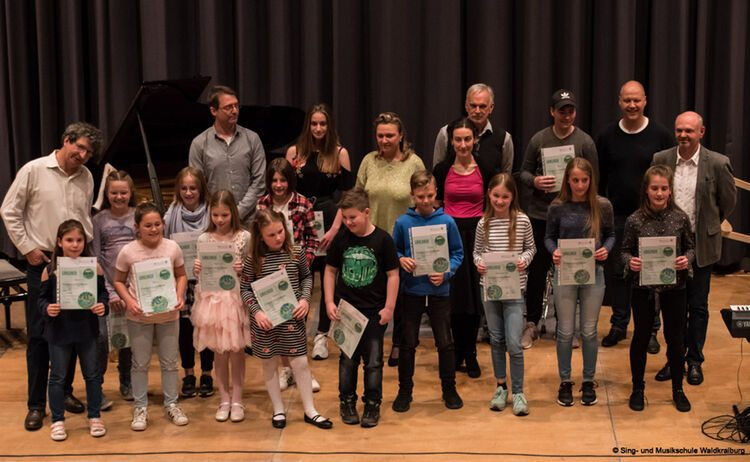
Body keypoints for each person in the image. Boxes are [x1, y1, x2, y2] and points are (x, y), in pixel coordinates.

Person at [1, 121, 103, 430]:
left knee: (71, 331)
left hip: (75, 263)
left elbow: (83, 219)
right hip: (43, 261)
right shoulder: (34, 170)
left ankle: (65, 392)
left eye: (89, 152)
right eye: (80, 147)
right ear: (66, 140)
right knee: (39, 335)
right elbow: (9, 211)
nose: (83, 155)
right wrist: (28, 248)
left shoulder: (85, 176)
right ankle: (36, 405)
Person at [651, 111, 737, 386]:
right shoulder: (661, 159)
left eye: (689, 131)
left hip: (702, 246)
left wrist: (708, 224)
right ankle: (673, 360)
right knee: (671, 307)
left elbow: (728, 203)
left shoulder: (718, 163)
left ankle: (695, 361)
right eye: (679, 130)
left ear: (701, 132)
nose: (683, 135)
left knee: (698, 307)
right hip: (668, 248)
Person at [597, 81, 674, 350]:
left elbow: (666, 178)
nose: (632, 105)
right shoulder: (606, 136)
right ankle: (619, 324)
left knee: (650, 274)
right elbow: (600, 178)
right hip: (617, 216)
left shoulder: (661, 135)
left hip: (652, 217)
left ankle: (651, 329)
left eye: (636, 101)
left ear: (645, 101)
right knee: (619, 273)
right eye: (627, 100)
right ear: (619, 102)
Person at [519, 89, 599, 349]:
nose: (566, 115)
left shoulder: (585, 141)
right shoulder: (539, 139)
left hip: (574, 218)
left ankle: (566, 326)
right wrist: (536, 181)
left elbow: (594, 179)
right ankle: (531, 324)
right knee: (537, 272)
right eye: (561, 110)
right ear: (552, 112)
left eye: (570, 110)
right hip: (542, 214)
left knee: (572, 273)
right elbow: (523, 173)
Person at [240, 209, 332, 430]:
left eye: (280, 232)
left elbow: (307, 277)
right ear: (261, 236)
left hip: (292, 319)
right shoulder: (253, 259)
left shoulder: (296, 252)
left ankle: (310, 410)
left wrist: (304, 300)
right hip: (265, 323)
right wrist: (257, 312)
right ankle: (278, 408)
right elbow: (245, 288)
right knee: (269, 364)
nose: (278, 237)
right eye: (271, 235)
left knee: (300, 363)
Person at [324, 188, 400, 428]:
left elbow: (393, 275)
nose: (348, 222)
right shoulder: (342, 239)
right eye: (344, 218)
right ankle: (346, 400)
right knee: (347, 361)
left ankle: (372, 403)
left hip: (374, 312)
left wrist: (389, 307)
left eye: (352, 218)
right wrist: (328, 301)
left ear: (366, 213)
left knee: (374, 361)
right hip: (346, 311)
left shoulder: (383, 240)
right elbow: (329, 271)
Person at [621, 165, 694, 412]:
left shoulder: (681, 218)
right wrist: (630, 262)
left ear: (670, 190)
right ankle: (637, 388)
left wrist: (687, 260)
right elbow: (624, 251)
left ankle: (678, 388)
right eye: (655, 188)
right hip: (644, 288)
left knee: (675, 338)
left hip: (675, 287)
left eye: (664, 188)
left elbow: (690, 248)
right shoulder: (634, 220)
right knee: (641, 337)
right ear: (646, 190)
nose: (660, 193)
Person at [390, 170, 464, 412]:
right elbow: (394, 252)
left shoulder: (447, 221)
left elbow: (457, 254)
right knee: (407, 343)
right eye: (420, 196)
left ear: (436, 194)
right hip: (411, 291)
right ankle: (404, 391)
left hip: (439, 291)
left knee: (445, 343)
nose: (425, 201)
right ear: (412, 195)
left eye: (429, 195)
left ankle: (449, 389)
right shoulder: (402, 223)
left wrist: (447, 272)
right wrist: (401, 260)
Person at [433, 117, 501, 378]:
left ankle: (470, 351)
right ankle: (456, 351)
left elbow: (493, 205)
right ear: (451, 141)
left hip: (476, 234)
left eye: (467, 139)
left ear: (475, 140)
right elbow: (436, 203)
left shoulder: (485, 167)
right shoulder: (441, 170)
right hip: (448, 235)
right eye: (458, 140)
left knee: (472, 298)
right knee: (452, 297)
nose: (463, 144)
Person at [356, 112, 424, 367]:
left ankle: (399, 343)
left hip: (403, 240)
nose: (384, 140)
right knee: (373, 296)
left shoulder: (414, 163)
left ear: (401, 136)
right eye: (380, 135)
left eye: (389, 135)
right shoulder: (368, 161)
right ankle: (373, 344)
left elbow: (422, 199)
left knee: (403, 299)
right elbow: (357, 197)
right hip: (371, 239)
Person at [287, 103, 354, 361]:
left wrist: (336, 227)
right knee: (299, 277)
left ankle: (321, 337)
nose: (318, 128)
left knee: (328, 278)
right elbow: (285, 189)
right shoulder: (295, 152)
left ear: (329, 126)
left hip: (328, 219)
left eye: (322, 124)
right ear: (308, 125)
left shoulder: (340, 153)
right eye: (313, 123)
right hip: (299, 218)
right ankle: (296, 334)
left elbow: (348, 196)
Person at [113, 201, 189, 431]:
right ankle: (140, 406)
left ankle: (172, 403)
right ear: (137, 227)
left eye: (158, 224)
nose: (154, 229)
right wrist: (130, 301)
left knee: (169, 362)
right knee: (140, 363)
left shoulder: (172, 247)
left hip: (168, 315)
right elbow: (118, 280)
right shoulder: (128, 251)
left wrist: (178, 296)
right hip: (139, 316)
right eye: (148, 225)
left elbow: (181, 275)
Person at [545, 158, 614, 407]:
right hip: (565, 274)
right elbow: (549, 237)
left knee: (589, 331)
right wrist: (554, 251)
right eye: (575, 180)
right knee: (564, 331)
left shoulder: (602, 205)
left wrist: (606, 249)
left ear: (590, 180)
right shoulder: (557, 206)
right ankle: (565, 380)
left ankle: (588, 380)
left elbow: (611, 235)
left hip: (594, 274)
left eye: (585, 180)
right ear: (568, 180)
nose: (580, 185)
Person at [256, 158, 321, 393]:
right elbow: (258, 241)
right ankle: (287, 370)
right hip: (272, 276)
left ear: (290, 180)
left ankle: (303, 371)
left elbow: (313, 240)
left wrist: (303, 263)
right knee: (278, 323)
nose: (278, 185)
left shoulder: (303, 204)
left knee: (297, 325)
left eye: (282, 180)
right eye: (274, 180)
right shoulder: (262, 205)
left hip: (295, 274)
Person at [39, 220, 109, 441]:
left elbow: (103, 296)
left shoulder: (94, 267)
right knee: (58, 377)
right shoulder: (49, 270)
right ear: (59, 242)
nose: (75, 244)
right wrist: (46, 308)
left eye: (79, 240)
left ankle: (95, 416)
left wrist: (102, 306)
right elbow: (40, 300)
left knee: (93, 375)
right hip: (59, 331)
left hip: (86, 330)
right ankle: (58, 421)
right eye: (69, 240)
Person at [473, 173, 536, 416]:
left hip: (514, 288)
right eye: (496, 195)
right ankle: (501, 387)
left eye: (505, 197)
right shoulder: (483, 223)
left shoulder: (522, 221)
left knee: (513, 342)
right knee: (496, 339)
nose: (500, 201)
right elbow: (477, 252)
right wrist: (479, 263)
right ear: (489, 194)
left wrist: (523, 260)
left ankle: (518, 391)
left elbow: (531, 247)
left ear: (512, 197)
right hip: (489, 288)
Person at [192, 190, 251, 422]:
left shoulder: (244, 236)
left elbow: (252, 267)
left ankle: (237, 399)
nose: (220, 220)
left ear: (233, 213)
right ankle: (223, 398)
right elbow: (201, 276)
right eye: (215, 215)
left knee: (236, 351)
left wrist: (242, 269)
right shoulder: (204, 239)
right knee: (219, 352)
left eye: (224, 215)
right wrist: (198, 269)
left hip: (235, 298)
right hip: (213, 300)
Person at [163, 167, 214, 399]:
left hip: (207, 279)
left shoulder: (212, 212)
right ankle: (189, 373)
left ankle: (206, 373)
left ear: (201, 188)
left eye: (193, 188)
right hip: (181, 279)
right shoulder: (170, 214)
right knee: (184, 329)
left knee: (206, 327)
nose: (188, 192)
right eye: (184, 188)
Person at [189, 85, 266, 225]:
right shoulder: (199, 144)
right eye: (228, 107)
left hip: (248, 221)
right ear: (213, 111)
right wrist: (220, 215)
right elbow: (197, 187)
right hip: (215, 222)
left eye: (236, 106)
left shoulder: (252, 139)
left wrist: (238, 212)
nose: (235, 111)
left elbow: (259, 182)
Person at [92, 170, 137, 404]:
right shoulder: (99, 220)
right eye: (114, 193)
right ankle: (96, 387)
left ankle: (126, 380)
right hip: (108, 291)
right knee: (102, 338)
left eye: (123, 192)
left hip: (133, 290)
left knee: (128, 341)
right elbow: (97, 257)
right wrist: (110, 291)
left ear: (131, 193)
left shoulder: (137, 215)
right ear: (107, 194)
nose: (119, 197)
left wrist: (130, 291)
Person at [432, 83, 514, 172]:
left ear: (491, 107)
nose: (477, 111)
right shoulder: (446, 133)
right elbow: (437, 173)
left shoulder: (504, 139)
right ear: (466, 106)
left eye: (482, 106)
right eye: (473, 106)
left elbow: (505, 180)